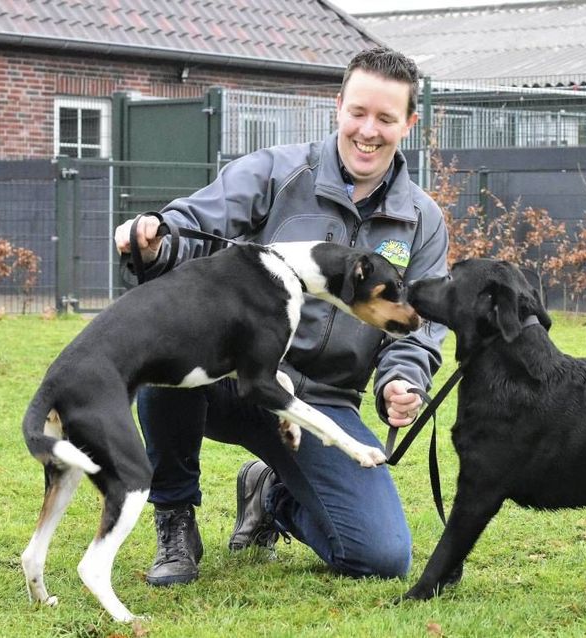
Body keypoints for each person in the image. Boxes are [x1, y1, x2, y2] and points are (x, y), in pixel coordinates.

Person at [113, 46, 448, 586]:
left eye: (386, 118)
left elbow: (422, 326)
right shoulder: (276, 173)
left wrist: (403, 379)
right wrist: (154, 240)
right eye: (358, 112)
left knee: (382, 558)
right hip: (235, 377)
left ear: (409, 123)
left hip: (324, 404)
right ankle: (175, 516)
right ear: (338, 105)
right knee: (165, 347)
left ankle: (269, 496)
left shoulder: (423, 222)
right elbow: (193, 224)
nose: (368, 130)